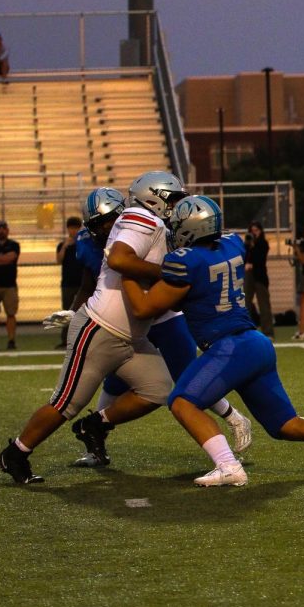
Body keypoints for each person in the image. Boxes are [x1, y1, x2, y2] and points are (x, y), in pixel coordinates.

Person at [119, 195, 304, 486]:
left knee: (182, 402)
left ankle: (228, 465)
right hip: (255, 345)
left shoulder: (187, 261)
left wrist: (124, 271)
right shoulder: (232, 244)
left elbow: (144, 308)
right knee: (286, 425)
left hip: (228, 347)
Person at [0, 177, 184, 484]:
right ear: (155, 199)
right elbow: (121, 259)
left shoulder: (155, 226)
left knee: (159, 389)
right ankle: (16, 453)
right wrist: (167, 272)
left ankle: (96, 425)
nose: (177, 206)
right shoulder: (139, 218)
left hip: (132, 337)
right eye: (173, 199)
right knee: (66, 404)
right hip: (100, 329)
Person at [65, 182, 253, 469]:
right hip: (126, 321)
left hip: (162, 315)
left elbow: (174, 276)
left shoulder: (152, 228)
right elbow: (88, 284)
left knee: (187, 376)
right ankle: (96, 441)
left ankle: (233, 418)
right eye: (99, 224)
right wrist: (73, 313)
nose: (106, 228)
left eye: (111, 219)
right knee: (114, 381)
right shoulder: (88, 244)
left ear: (125, 211)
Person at [0, 220, 21, 351]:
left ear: (7, 230)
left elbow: (11, 258)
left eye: (4, 228)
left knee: (11, 314)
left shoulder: (14, 245)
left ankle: (11, 340)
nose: (1, 230)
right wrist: (3, 259)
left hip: (9, 286)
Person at [55, 216, 86, 349]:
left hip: (82, 284)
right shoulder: (63, 245)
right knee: (67, 312)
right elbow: (58, 260)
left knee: (82, 312)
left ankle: (81, 339)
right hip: (67, 283)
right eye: (71, 228)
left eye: (76, 228)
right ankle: (65, 340)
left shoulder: (83, 243)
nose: (73, 231)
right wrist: (65, 247)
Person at [244, 221, 274, 337]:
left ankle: (268, 332)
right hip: (249, 275)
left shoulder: (263, 243)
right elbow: (245, 257)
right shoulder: (247, 244)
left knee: (264, 305)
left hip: (260, 276)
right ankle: (246, 330)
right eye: (252, 231)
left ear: (260, 231)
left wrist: (253, 246)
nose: (254, 233)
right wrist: (248, 245)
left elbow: (260, 259)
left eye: (256, 230)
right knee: (246, 303)